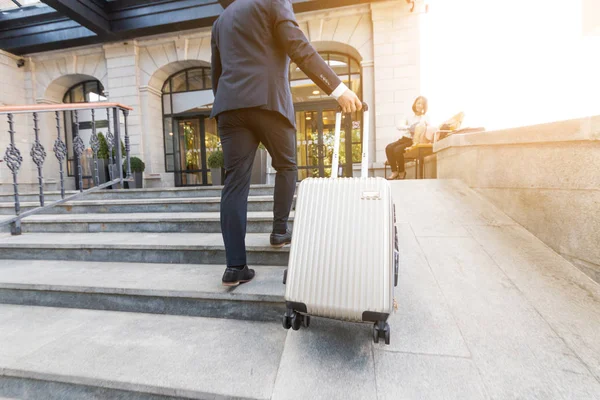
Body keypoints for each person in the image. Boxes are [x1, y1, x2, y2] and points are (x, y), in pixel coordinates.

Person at [210, 0, 362, 286]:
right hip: (269, 102)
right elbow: (298, 46)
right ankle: (279, 230)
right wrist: (338, 88)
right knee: (286, 166)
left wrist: (226, 104)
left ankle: (235, 267)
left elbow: (216, 75)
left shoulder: (221, 21)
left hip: (230, 107)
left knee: (234, 184)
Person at [385, 96, 429, 180]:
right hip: (405, 138)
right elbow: (399, 125)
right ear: (415, 104)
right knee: (389, 147)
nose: (419, 105)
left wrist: (419, 127)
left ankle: (402, 172)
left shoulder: (425, 118)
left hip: (414, 140)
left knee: (397, 150)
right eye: (418, 103)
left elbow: (428, 128)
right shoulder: (408, 116)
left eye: (422, 104)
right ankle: (394, 171)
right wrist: (409, 127)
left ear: (424, 106)